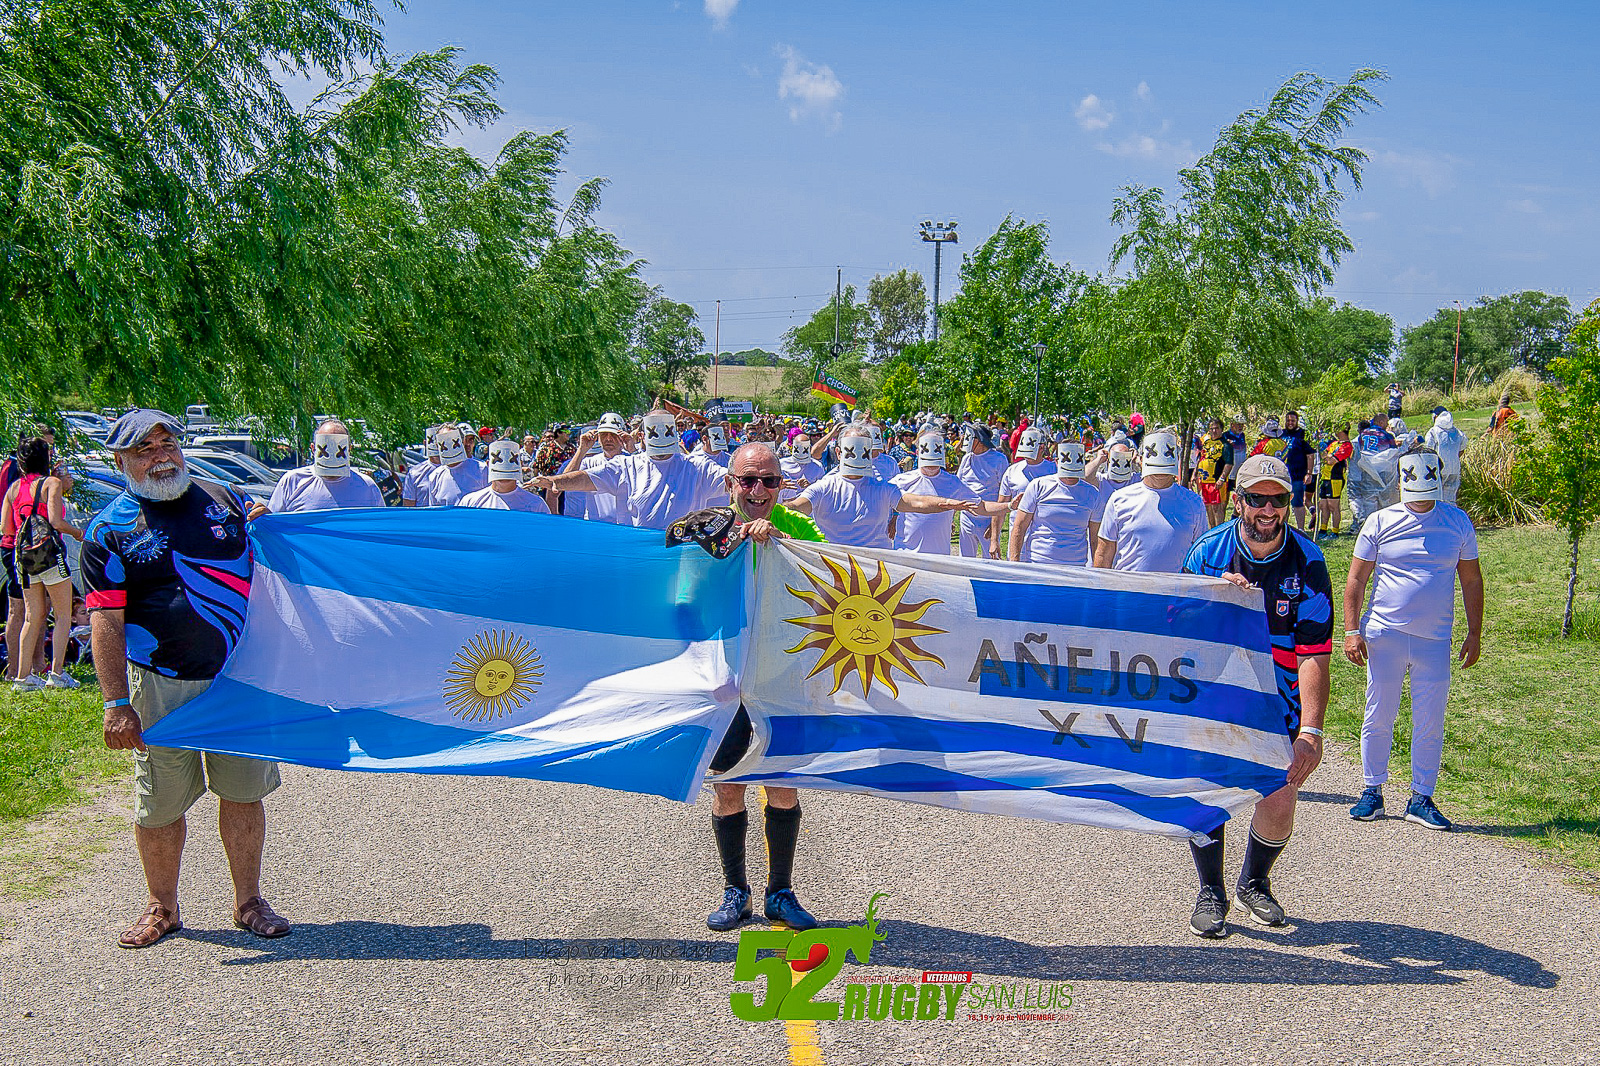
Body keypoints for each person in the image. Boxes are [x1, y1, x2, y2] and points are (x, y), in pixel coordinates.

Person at [82, 410, 289, 949]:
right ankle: (163, 908)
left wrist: (267, 520)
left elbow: (274, 564)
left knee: (243, 794)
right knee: (160, 805)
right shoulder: (109, 530)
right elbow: (104, 619)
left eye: (166, 442)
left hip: (237, 680)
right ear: (120, 460)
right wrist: (114, 703)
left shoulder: (225, 500)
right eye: (143, 449)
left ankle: (248, 902)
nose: (160, 456)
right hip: (159, 684)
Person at [1181, 454, 1333, 937]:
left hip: (1278, 698)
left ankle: (1254, 882)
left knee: (1281, 791)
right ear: (1237, 501)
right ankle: (1211, 891)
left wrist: (1311, 730)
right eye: (1256, 500)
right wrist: (1212, 595)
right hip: (1215, 693)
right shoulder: (1207, 552)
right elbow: (1173, 627)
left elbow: (1315, 652)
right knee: (1207, 791)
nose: (1267, 510)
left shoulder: (1308, 561)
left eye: (1278, 500)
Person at [698, 443, 826, 933]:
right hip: (729, 680)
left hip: (783, 677)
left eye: (769, 482)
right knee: (728, 788)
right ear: (731, 482)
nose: (758, 491)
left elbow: (832, 576)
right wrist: (730, 553)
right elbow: (684, 601)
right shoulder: (705, 529)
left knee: (783, 787)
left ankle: (781, 892)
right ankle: (736, 891)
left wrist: (783, 550)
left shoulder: (797, 530)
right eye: (748, 481)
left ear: (781, 487)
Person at [1344, 449, 1483, 831]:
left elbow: (1470, 579)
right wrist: (1351, 629)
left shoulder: (1457, 522)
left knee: (1430, 720)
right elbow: (1357, 578)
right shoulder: (1379, 521)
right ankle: (1372, 791)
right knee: (1378, 713)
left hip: (1434, 639)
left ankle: (1421, 797)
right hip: (1384, 635)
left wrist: (1475, 631)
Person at [532, 410, 725, 531]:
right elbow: (587, 478)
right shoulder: (627, 466)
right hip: (639, 555)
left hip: (682, 555)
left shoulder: (697, 467)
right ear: (643, 435)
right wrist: (555, 481)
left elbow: (733, 481)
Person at [786, 430, 976, 548]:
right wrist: (770, 506)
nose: (857, 455)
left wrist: (948, 503)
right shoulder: (826, 486)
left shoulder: (882, 488)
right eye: (851, 449)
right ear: (838, 452)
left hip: (877, 573)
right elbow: (798, 505)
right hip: (835, 570)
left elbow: (915, 501)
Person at [2, 436, 83, 689]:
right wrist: (79, 533)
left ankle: (22, 677)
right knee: (61, 615)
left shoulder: (14, 488)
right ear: (46, 457)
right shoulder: (52, 483)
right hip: (50, 557)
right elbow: (56, 522)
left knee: (31, 617)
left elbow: (6, 528)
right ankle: (57, 674)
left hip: (23, 559)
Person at [1092, 432, 1207, 574]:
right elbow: (1104, 554)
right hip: (1128, 591)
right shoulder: (1119, 499)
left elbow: (1203, 554)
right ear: (1140, 459)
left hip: (1175, 593)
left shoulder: (1194, 503)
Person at [890, 433, 983, 555]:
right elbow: (879, 501)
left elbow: (980, 505)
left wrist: (1008, 507)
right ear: (918, 452)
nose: (931, 464)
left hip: (939, 558)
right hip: (906, 555)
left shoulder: (953, 482)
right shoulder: (901, 481)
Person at [1009, 441, 1099, 566]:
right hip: (1039, 563)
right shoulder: (1038, 486)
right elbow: (1019, 526)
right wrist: (1014, 563)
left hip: (1076, 567)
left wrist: (1098, 570)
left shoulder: (1092, 493)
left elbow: (1095, 538)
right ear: (1057, 461)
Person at [264, 420, 383, 513]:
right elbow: (273, 523)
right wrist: (261, 516)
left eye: (339, 447)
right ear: (313, 448)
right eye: (324, 448)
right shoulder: (292, 481)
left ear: (349, 449)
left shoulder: (367, 486)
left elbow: (381, 529)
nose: (332, 455)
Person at [562, 413, 629, 522]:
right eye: (604, 434)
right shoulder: (589, 463)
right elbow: (565, 482)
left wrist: (632, 448)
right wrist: (582, 449)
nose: (608, 439)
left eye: (613, 434)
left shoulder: (632, 460)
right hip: (595, 525)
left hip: (625, 527)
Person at [956, 425, 1009, 559]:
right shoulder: (967, 459)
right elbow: (957, 486)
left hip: (988, 518)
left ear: (979, 440)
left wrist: (995, 527)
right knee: (965, 562)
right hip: (966, 517)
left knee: (991, 561)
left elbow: (1004, 494)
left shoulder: (999, 459)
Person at [460, 440, 552, 513]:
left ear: (520, 464)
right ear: (488, 465)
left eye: (511, 461)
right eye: (498, 462)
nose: (504, 469)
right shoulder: (470, 503)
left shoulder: (536, 505)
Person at [419, 426, 488, 507]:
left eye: (452, 441)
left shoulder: (481, 469)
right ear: (437, 445)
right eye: (444, 442)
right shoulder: (435, 476)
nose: (449, 445)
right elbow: (436, 512)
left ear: (462, 441)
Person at [1088, 441, 1136, 553]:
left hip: (1126, 544)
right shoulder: (1101, 480)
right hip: (1100, 542)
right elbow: (1084, 476)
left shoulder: (1136, 480)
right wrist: (1099, 459)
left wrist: (1138, 460)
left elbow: (1155, 478)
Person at [1190, 418, 1234, 528]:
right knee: (1208, 507)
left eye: (1216, 428)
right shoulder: (1206, 443)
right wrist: (1194, 474)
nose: (1214, 431)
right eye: (1211, 429)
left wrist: (1222, 479)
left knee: (1217, 508)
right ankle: (1211, 530)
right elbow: (1201, 459)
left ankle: (1219, 531)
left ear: (1221, 429)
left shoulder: (1225, 445)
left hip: (1217, 481)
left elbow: (1229, 463)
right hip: (1204, 481)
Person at [1424, 407, 1467, 505]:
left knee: (1437, 498)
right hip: (1454, 469)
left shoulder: (1433, 431)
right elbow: (1462, 449)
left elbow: (1428, 450)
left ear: (1435, 417)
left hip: (1437, 469)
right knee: (1450, 498)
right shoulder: (1457, 432)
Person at [1317, 426, 1354, 537]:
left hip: (1335, 478)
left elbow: (1331, 461)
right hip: (1325, 477)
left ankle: (1335, 531)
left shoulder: (1347, 446)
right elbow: (1324, 456)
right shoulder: (1334, 444)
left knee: (1333, 505)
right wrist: (1326, 455)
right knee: (1323, 505)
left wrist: (1325, 454)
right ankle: (1323, 530)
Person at [1281, 411, 1314, 532]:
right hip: (1283, 475)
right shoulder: (1280, 434)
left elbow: (1310, 455)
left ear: (1297, 421)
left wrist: (1309, 473)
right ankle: (1282, 528)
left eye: (1293, 421)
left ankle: (1301, 529)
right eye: (1288, 420)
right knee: (1283, 503)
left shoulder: (1303, 434)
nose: (1290, 423)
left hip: (1298, 475)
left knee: (1297, 503)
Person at [401, 429, 443, 507]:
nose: (437, 446)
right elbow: (408, 506)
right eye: (433, 442)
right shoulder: (414, 473)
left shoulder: (455, 469)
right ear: (425, 443)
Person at [779, 433, 824, 503]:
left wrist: (810, 487)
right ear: (793, 447)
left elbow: (822, 490)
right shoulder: (781, 464)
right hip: (784, 504)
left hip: (807, 505)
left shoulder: (817, 466)